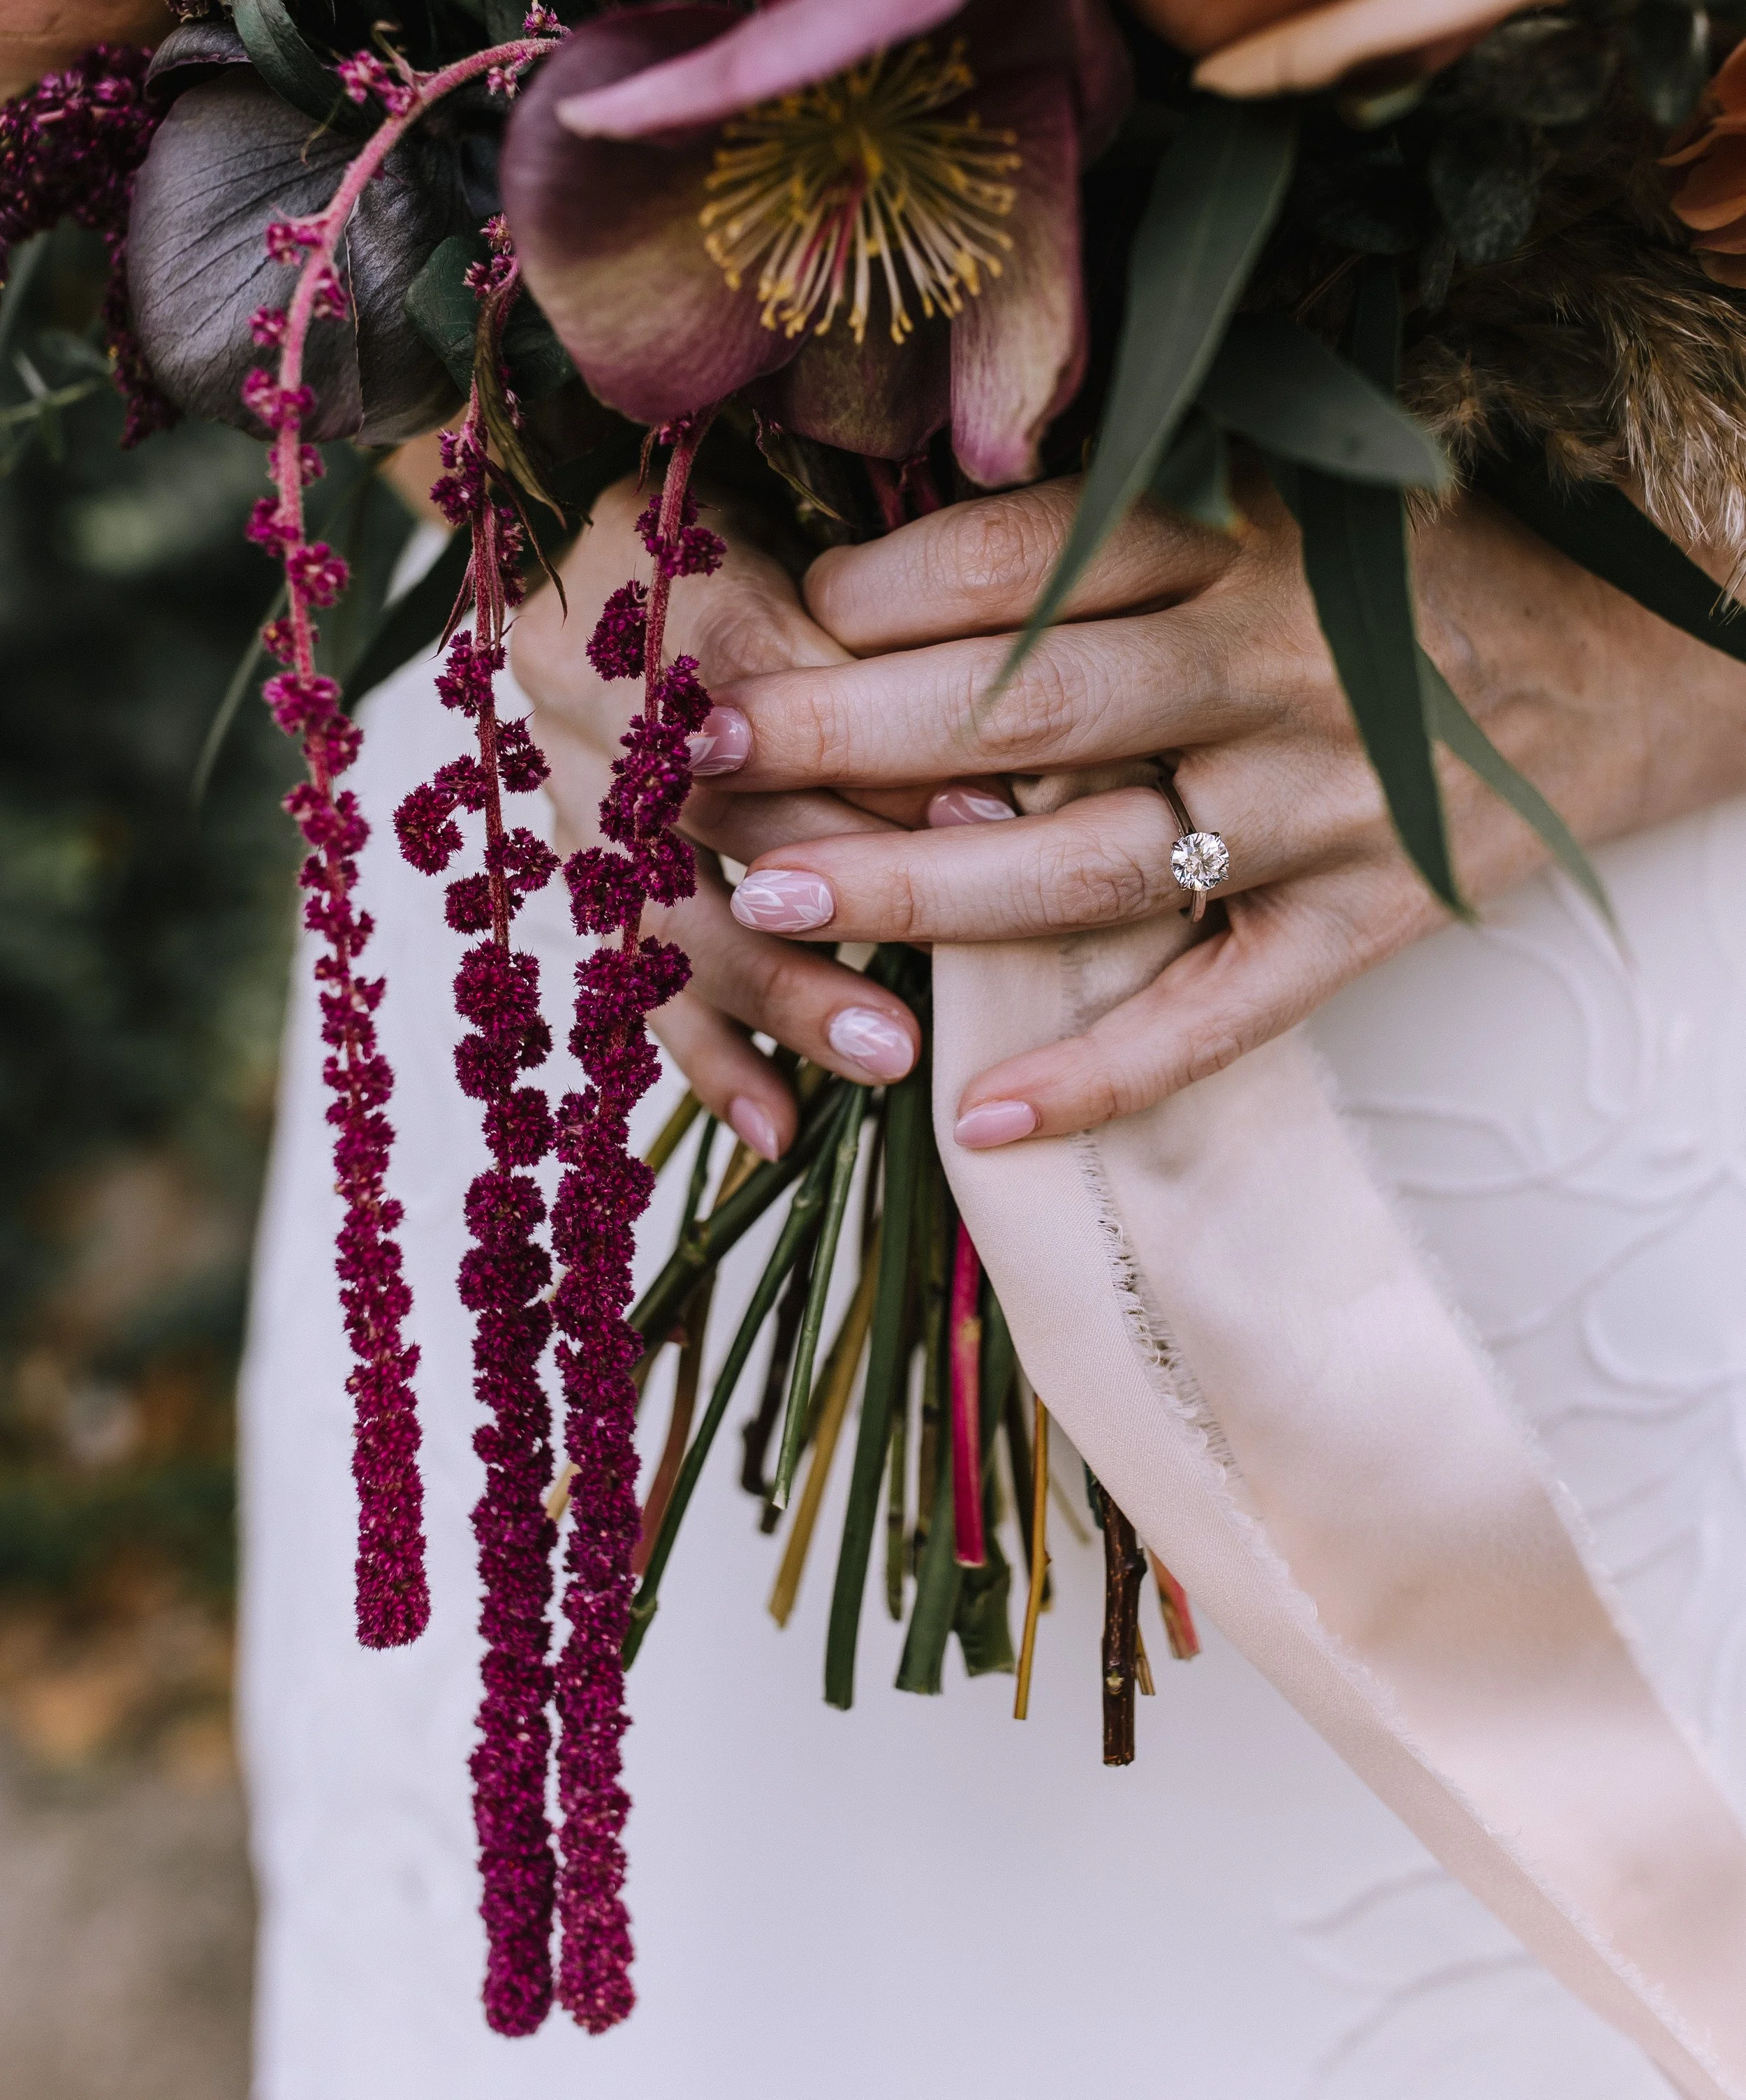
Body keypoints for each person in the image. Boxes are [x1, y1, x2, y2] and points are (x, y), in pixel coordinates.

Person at [244, 460, 1746, 2096]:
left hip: (1579, 883)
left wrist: (1667, 657)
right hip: (617, 832)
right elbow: (275, 245)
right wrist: (520, 502)